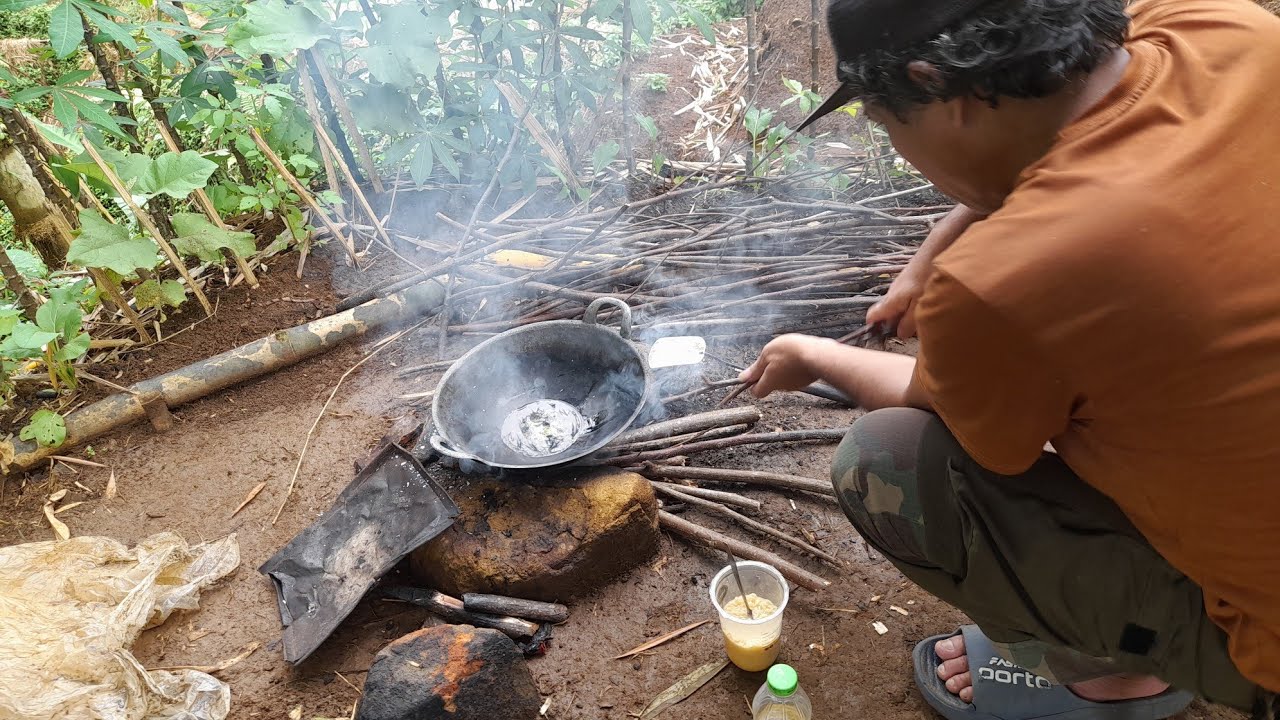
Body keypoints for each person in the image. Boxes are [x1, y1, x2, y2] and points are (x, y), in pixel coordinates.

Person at [739, 0, 1280, 718]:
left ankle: (1119, 670)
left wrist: (815, 354)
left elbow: (926, 404)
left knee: (887, 461)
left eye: (884, 119)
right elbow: (1070, 133)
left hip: (1267, 644)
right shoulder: (1227, 27)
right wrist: (934, 251)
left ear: (936, 86)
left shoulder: (1004, 283)